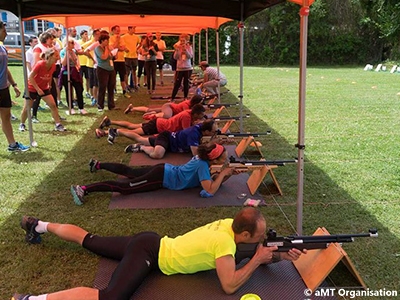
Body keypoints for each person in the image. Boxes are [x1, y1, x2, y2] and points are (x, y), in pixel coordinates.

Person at [13, 207, 305, 300]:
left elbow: (246, 251)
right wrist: (258, 259)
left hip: (150, 241)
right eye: (257, 238)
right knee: (110, 297)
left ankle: (38, 225)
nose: (260, 241)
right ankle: (33, 299)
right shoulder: (225, 246)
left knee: (90, 239)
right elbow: (229, 285)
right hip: (151, 255)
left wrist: (277, 254)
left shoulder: (229, 226)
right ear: (243, 236)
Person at [71, 143, 237, 205]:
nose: (224, 159)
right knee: (126, 188)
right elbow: (209, 190)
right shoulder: (202, 165)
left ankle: (98, 164)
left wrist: (227, 174)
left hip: (164, 169)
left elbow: (214, 182)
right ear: (213, 159)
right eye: (222, 158)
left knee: (131, 172)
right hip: (161, 177)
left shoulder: (203, 160)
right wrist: (224, 173)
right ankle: (84, 189)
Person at [97, 103, 206, 144]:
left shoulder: (189, 113)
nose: (202, 117)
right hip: (158, 125)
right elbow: (186, 132)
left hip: (158, 124)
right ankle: (108, 132)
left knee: (132, 126)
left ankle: (110, 122)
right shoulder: (187, 116)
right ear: (197, 113)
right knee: (133, 131)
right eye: (202, 115)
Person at [20, 48, 67, 132]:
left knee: (53, 105)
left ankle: (58, 124)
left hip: (44, 88)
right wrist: (37, 89)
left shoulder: (53, 66)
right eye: (56, 56)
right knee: (27, 108)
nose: (58, 58)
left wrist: (48, 84)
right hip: (32, 88)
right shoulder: (40, 64)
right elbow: (30, 77)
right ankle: (22, 124)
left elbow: (50, 75)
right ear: (49, 56)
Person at [0, 21, 30, 152]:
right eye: (4, 30)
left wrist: (14, 85)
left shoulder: (2, 48)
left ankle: (12, 145)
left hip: (3, 88)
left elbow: (5, 69)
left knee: (6, 117)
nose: (6, 33)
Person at [124, 119, 217, 158]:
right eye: (213, 132)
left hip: (170, 143)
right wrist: (212, 144)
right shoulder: (193, 134)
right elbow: (196, 155)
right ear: (206, 131)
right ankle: (141, 148)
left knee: (141, 139)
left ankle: (118, 132)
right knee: (158, 154)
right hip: (166, 138)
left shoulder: (201, 126)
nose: (214, 133)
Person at [59, 38, 86, 115]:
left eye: (73, 43)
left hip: (74, 72)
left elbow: (76, 61)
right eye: (71, 43)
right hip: (66, 72)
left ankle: (81, 107)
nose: (73, 44)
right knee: (69, 90)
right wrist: (67, 54)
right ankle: (71, 108)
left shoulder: (74, 51)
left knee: (79, 89)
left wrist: (77, 66)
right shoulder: (63, 51)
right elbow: (63, 63)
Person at [124, 94, 204, 119]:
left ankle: (132, 108)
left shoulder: (190, 104)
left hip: (169, 108)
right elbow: (185, 115)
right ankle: (153, 115)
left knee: (149, 109)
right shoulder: (187, 105)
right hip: (169, 107)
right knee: (167, 116)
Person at [95, 33, 116, 112]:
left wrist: (114, 55)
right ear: (102, 41)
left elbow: (110, 57)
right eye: (106, 41)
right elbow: (103, 57)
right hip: (102, 69)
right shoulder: (98, 48)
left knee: (111, 87)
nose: (107, 42)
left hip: (111, 69)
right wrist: (107, 48)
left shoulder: (108, 48)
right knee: (102, 87)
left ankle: (111, 105)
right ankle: (100, 105)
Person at [170, 34, 193, 102]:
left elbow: (190, 56)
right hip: (179, 68)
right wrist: (177, 50)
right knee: (177, 83)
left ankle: (185, 97)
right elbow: (175, 57)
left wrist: (186, 51)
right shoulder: (178, 47)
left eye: (183, 41)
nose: (182, 42)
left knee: (186, 83)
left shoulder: (189, 47)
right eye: (181, 40)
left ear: (186, 41)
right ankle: (172, 98)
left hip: (187, 68)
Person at [109, 25, 130, 98]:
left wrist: (118, 47)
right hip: (114, 60)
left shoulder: (122, 38)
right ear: (113, 31)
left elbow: (123, 47)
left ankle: (124, 91)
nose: (118, 31)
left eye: (119, 30)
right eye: (117, 30)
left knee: (123, 75)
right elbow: (112, 47)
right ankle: (113, 90)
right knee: (113, 76)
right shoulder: (111, 38)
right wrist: (117, 42)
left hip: (121, 60)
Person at [122, 25, 140, 91]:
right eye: (133, 28)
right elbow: (121, 44)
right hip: (127, 56)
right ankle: (127, 86)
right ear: (129, 29)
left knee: (134, 71)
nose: (134, 30)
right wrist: (125, 49)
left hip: (134, 56)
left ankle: (135, 85)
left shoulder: (136, 37)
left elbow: (140, 43)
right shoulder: (124, 37)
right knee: (127, 72)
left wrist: (136, 48)